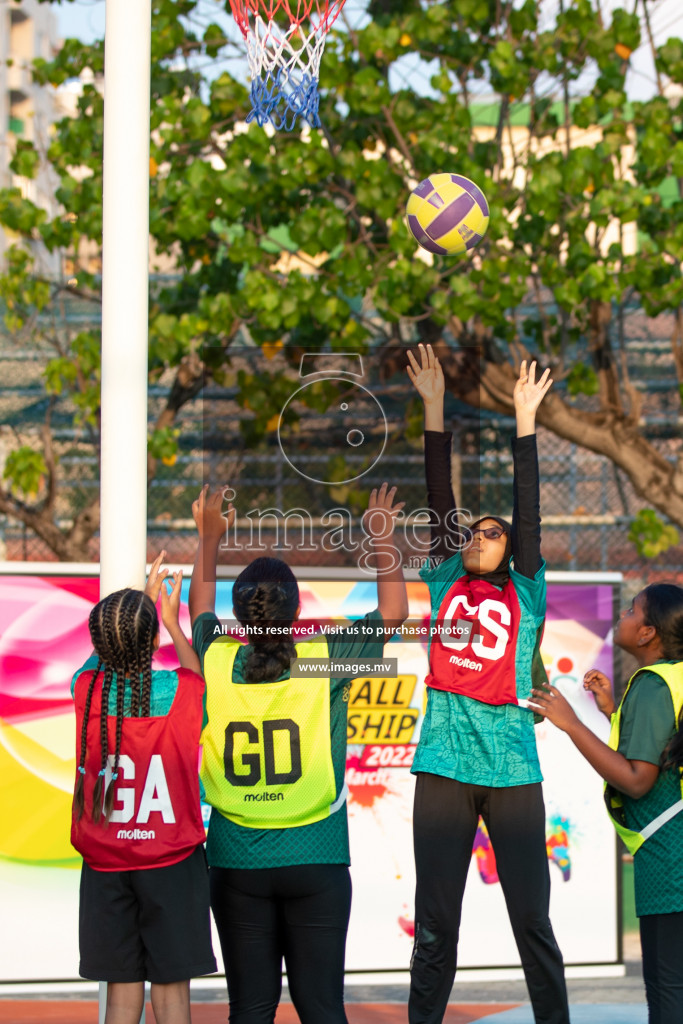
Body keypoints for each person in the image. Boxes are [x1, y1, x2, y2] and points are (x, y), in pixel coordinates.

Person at [189, 482, 408, 1024]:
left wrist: (209, 539)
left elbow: (198, 608)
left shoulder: (216, 659)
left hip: (237, 857)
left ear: (239, 615)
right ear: (295, 610)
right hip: (318, 857)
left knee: (251, 1010)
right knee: (322, 1009)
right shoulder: (321, 658)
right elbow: (396, 612)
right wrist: (382, 537)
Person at [406, 343, 569, 1024]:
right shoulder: (446, 577)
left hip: (509, 768)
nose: (479, 535)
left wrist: (524, 420)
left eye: (491, 533)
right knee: (436, 922)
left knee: (530, 918)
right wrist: (434, 405)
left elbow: (526, 508)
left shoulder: (525, 591)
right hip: (443, 766)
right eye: (472, 532)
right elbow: (440, 496)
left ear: (509, 550)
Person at [71, 552, 217, 1024]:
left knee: (120, 996)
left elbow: (98, 661)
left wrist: (141, 613)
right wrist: (169, 623)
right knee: (172, 995)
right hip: (172, 864)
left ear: (101, 645)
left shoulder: (86, 690)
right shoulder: (180, 691)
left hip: (105, 865)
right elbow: (197, 675)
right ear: (151, 640)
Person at [531, 582, 683, 1024]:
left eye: (632, 611)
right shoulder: (673, 676)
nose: (622, 614)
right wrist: (612, 713)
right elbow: (665, 751)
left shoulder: (653, 684)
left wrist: (572, 724)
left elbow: (638, 780)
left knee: (668, 991)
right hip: (670, 853)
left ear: (648, 633)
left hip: (669, 860)